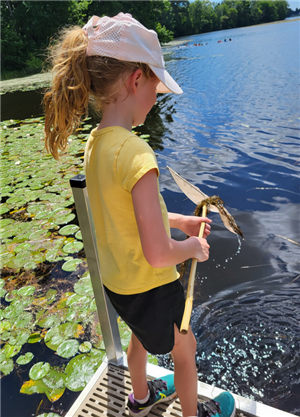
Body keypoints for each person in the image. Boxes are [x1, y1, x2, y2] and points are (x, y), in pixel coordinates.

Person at [44, 13, 236, 417]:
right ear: (135, 80)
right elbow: (157, 255)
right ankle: (192, 413)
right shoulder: (136, 154)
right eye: (155, 86)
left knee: (137, 340)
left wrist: (179, 222)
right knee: (185, 348)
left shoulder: (96, 145)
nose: (157, 96)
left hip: (120, 284)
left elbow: (123, 214)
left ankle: (141, 398)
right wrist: (191, 247)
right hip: (150, 286)